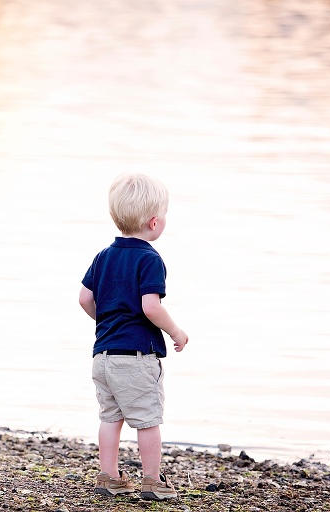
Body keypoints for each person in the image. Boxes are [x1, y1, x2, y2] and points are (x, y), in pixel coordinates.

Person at [79, 172, 189, 501]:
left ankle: (109, 476)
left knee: (110, 418)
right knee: (147, 420)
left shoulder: (103, 256)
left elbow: (85, 298)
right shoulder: (149, 259)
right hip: (137, 357)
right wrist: (176, 331)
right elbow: (150, 307)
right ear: (154, 223)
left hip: (104, 355)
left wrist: (107, 323)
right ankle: (152, 481)